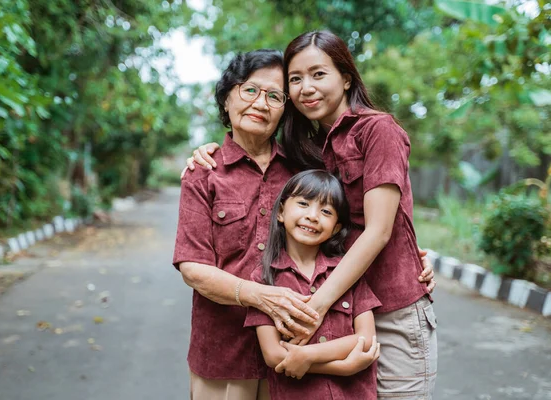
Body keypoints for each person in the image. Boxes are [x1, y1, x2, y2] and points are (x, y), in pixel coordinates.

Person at [184, 31, 438, 399]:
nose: (306, 88)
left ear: (346, 77)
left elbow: (379, 229)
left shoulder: (371, 133)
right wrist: (204, 152)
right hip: (315, 323)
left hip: (369, 308)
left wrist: (316, 308)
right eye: (296, 79)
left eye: (318, 74)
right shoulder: (313, 152)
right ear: (227, 99)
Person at [173, 49, 335, 400]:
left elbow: (348, 232)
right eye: (250, 90)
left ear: (285, 110)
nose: (260, 103)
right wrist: (263, 298)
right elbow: (193, 268)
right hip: (223, 355)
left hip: (298, 352)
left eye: (274, 96)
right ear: (228, 96)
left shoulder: (303, 173)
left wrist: (415, 256)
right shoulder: (204, 173)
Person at [245, 170, 381, 400]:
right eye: (303, 204)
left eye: (326, 211)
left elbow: (366, 339)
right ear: (280, 212)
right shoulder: (263, 279)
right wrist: (344, 366)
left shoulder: (348, 272)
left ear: (336, 227)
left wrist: (307, 355)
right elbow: (274, 355)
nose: (313, 216)